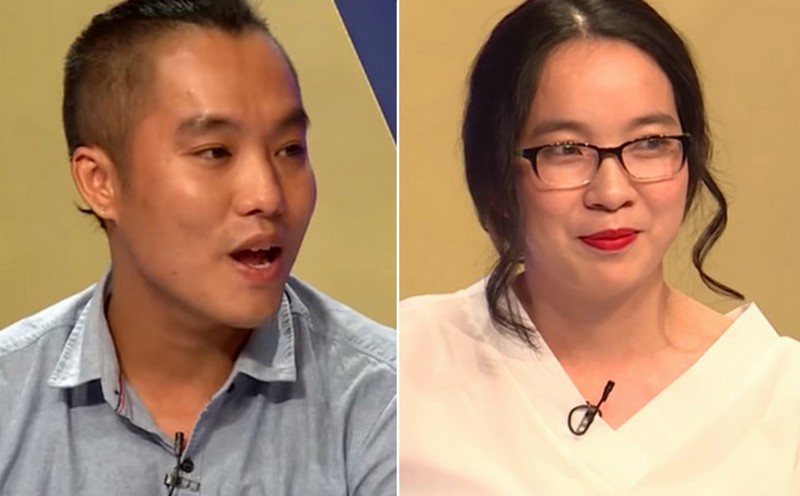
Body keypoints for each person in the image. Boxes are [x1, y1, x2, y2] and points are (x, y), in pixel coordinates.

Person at [399, 0, 800, 494]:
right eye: (565, 149)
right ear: (498, 181)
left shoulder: (781, 397)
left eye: (650, 142)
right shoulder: (408, 362)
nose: (612, 193)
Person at [0, 1, 396, 494]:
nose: (267, 195)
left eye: (289, 149)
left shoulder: (389, 401)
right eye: (215, 152)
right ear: (100, 181)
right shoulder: (10, 397)